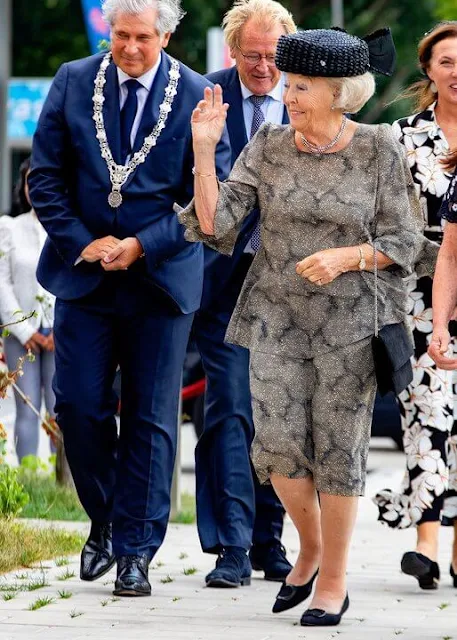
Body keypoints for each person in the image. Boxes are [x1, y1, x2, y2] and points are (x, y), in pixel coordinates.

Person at [179, 27, 431, 626]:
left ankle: (333, 581)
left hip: (351, 321)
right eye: (288, 84)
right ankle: (311, 547)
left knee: (340, 451)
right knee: (278, 448)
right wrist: (204, 153)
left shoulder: (377, 149)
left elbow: (405, 240)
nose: (287, 95)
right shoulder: (267, 146)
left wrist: (347, 256)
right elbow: (216, 228)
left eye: (301, 86)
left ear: (339, 92)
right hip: (275, 317)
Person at [28, 0, 230, 597]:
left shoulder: (199, 93)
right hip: (85, 276)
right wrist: (82, 244)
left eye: (143, 36)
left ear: (165, 35)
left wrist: (142, 244)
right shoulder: (72, 80)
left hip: (161, 279)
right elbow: (44, 177)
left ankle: (136, 550)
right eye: (121, 35)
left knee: (150, 416)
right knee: (79, 406)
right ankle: (109, 518)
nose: (131, 48)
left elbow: (205, 204)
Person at [192, 0, 295, 589]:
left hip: (293, 290)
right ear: (232, 52)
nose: (263, 67)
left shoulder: (310, 99)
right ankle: (232, 545)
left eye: (273, 55)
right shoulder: (205, 97)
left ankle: (269, 539)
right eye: (251, 55)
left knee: (279, 417)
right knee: (231, 408)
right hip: (226, 284)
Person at [373, 22, 457, 591]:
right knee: (425, 412)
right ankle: (426, 543)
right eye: (447, 61)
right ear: (428, 70)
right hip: (418, 292)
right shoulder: (401, 137)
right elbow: (379, 214)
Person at [0, 157, 56, 462]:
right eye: (29, 181)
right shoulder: (9, 227)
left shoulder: (67, 228)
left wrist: (60, 329)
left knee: (60, 407)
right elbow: (2, 284)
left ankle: (64, 486)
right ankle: (29, 478)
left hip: (60, 334)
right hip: (21, 336)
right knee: (28, 406)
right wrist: (24, 329)